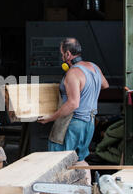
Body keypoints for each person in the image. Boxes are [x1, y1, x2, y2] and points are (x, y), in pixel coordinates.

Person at [38, 38, 109, 185]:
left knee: (57, 161)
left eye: (62, 53)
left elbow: (73, 103)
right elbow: (104, 85)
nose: (61, 57)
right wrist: (89, 93)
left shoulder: (73, 73)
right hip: (89, 122)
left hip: (71, 124)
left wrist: (50, 118)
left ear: (68, 54)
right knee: (80, 159)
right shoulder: (94, 67)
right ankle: (87, 190)